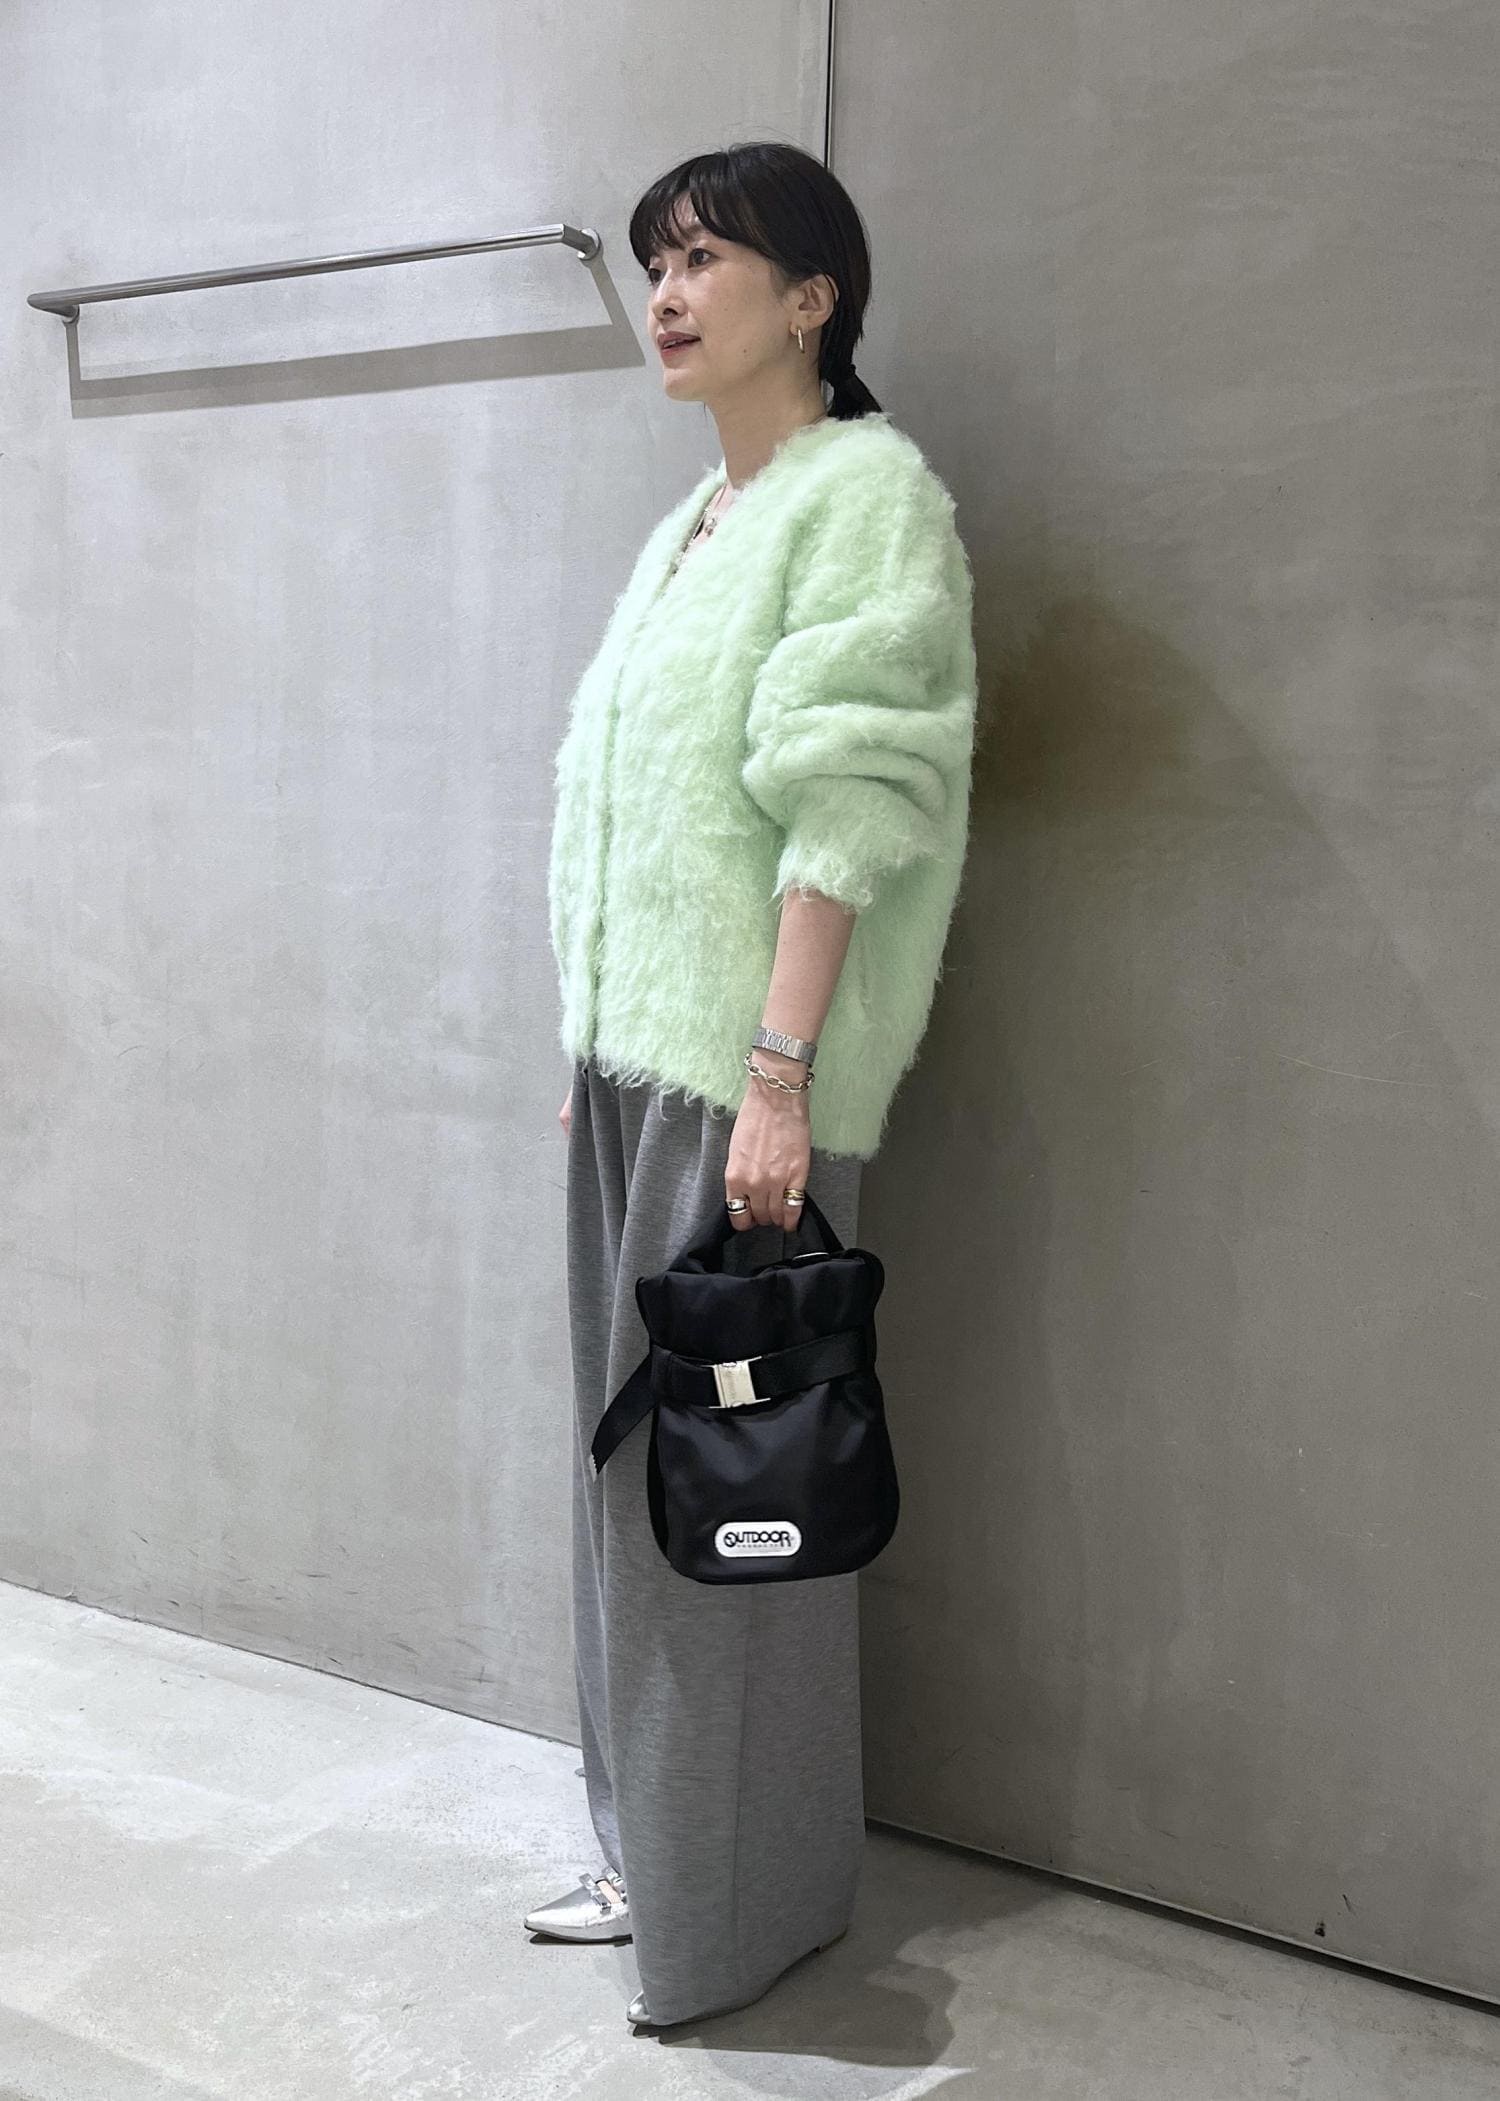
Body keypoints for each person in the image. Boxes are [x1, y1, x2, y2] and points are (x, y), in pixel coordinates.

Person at [527, 141, 979, 2031]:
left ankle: (726, 1912)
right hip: (633, 1069)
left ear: (814, 296)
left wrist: (777, 1074)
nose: (667, 291)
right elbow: (635, 811)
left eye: (707, 256)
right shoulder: (702, 520)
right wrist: (591, 1030)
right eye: (657, 258)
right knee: (639, 1484)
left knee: (728, 1497)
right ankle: (657, 1852)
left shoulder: (865, 499)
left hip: (736, 1081)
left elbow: (850, 802)